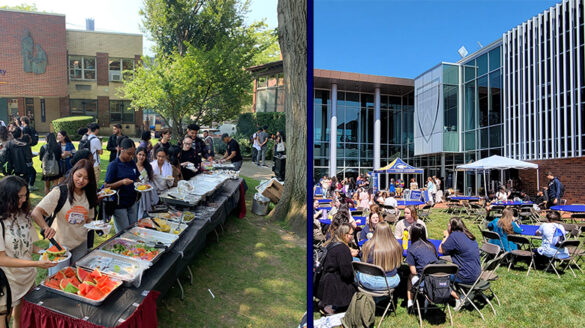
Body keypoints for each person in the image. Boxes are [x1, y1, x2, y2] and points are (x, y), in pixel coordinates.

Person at [0, 176, 56, 328]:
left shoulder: (24, 215)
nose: (24, 200)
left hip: (28, 279)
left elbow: (28, 245)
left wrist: (46, 252)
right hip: (8, 281)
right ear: (6, 196)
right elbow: (2, 259)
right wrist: (36, 263)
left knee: (21, 318)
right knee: (3, 320)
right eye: (19, 197)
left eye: (25, 195)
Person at [32, 159, 98, 262]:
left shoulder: (89, 194)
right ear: (72, 173)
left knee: (76, 274)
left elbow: (89, 219)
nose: (81, 180)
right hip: (59, 244)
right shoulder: (60, 191)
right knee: (57, 276)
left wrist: (99, 226)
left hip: (81, 243)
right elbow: (36, 212)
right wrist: (46, 228)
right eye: (79, 175)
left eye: (86, 178)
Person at [315, 223, 357, 314]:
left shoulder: (331, 243)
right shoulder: (343, 249)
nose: (352, 236)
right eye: (351, 234)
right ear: (344, 234)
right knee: (354, 288)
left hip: (323, 282)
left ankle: (324, 302)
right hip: (333, 284)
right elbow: (346, 273)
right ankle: (331, 307)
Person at [104, 138, 139, 233]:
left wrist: (140, 183)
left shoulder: (132, 163)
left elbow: (137, 178)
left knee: (133, 230)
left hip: (132, 201)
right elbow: (106, 186)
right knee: (124, 232)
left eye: (133, 153)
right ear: (121, 149)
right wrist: (121, 182)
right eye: (129, 153)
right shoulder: (113, 165)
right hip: (119, 204)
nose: (131, 156)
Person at [355, 222, 402, 291]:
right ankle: (380, 298)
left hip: (367, 281)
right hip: (389, 282)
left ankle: (374, 298)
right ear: (389, 231)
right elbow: (398, 264)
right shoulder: (396, 246)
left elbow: (362, 259)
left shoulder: (367, 245)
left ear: (375, 231)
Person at [406, 223, 439, 312]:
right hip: (438, 278)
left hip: (425, 281)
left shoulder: (412, 249)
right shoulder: (431, 245)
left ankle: (410, 302)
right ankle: (427, 297)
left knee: (410, 276)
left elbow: (413, 271)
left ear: (413, 234)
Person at [135, 147, 158, 218]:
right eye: (140, 154)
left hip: (146, 192)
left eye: (143, 155)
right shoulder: (132, 166)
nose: (141, 157)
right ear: (136, 155)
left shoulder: (148, 167)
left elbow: (150, 179)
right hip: (135, 193)